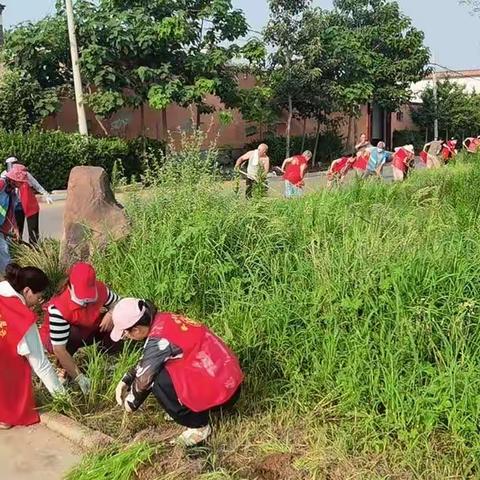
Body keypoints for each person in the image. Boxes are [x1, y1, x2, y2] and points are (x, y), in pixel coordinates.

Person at [111, 298, 244, 446]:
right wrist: (127, 378)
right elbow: (149, 360)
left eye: (126, 334)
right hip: (228, 382)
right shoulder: (165, 319)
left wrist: (129, 404)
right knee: (161, 367)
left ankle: (198, 426)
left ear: (136, 329)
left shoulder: (158, 341)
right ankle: (192, 405)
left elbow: (144, 380)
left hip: (223, 393)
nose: (127, 338)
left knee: (158, 381)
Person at [39, 262, 120, 394]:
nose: (86, 302)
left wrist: (111, 314)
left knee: (118, 317)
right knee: (73, 333)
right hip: (58, 339)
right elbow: (59, 349)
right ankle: (63, 368)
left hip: (86, 328)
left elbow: (119, 304)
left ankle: (106, 357)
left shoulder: (101, 289)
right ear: (70, 287)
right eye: (82, 297)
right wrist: (80, 378)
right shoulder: (59, 309)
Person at [0, 264, 64, 429]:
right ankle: (6, 414)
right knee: (19, 363)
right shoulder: (22, 317)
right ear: (27, 291)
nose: (38, 301)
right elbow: (40, 365)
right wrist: (63, 398)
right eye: (39, 296)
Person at [5, 164, 51, 245]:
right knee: (17, 231)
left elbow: (36, 185)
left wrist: (46, 194)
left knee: (33, 231)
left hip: (30, 205)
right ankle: (17, 249)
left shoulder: (25, 175)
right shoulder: (4, 178)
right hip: (16, 207)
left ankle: (34, 249)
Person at [0, 174, 20, 273]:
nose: (20, 184)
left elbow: (10, 213)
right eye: (19, 182)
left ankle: (6, 277)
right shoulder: (1, 184)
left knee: (4, 252)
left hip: (1, 226)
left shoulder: (12, 194)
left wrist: (15, 229)